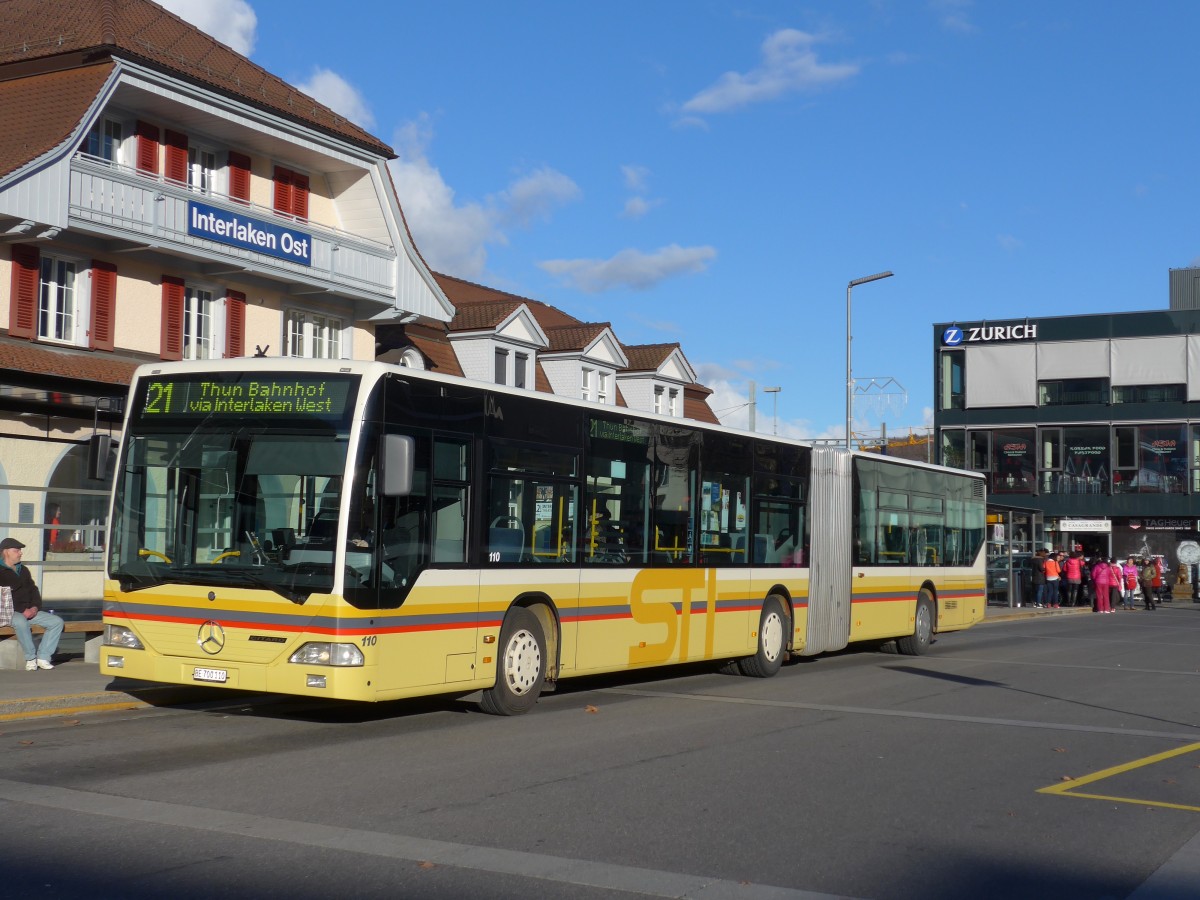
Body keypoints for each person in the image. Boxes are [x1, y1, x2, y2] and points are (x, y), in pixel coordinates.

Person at [0, 537, 63, 670]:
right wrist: (23, 610)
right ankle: (31, 658)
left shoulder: (23, 570)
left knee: (56, 622)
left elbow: (34, 590)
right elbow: (4, 597)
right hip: (8, 612)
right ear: (6, 552)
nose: (20, 553)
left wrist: (35, 607)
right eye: (16, 550)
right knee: (21, 622)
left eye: (20, 550)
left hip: (29, 610)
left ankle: (43, 657)